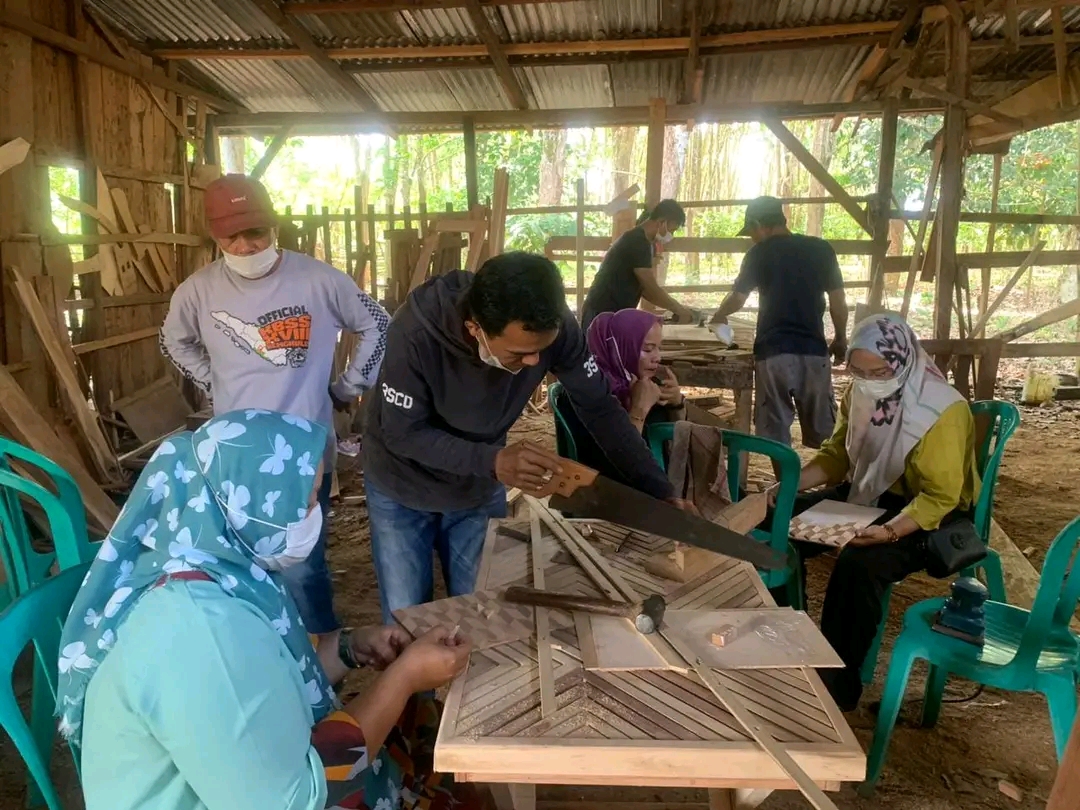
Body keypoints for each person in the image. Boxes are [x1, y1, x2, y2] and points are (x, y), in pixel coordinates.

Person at [60, 411, 484, 810]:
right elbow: (296, 798)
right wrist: (404, 677)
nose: (317, 516)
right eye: (307, 502)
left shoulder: (216, 569)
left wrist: (349, 647)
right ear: (250, 504)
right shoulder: (198, 628)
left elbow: (270, 672)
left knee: (423, 735)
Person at [363, 253, 684, 622]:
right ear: (475, 329)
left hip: (476, 487)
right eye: (520, 353)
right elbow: (404, 434)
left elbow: (599, 408)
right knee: (407, 620)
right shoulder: (415, 332)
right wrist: (492, 461)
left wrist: (659, 489)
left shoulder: (555, 326)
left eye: (541, 352)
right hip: (401, 485)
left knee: (483, 613)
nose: (535, 364)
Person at [160, 174, 390, 645]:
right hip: (232, 452)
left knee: (303, 564)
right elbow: (172, 341)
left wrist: (348, 387)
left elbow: (379, 324)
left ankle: (323, 657)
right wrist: (213, 381)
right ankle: (260, 649)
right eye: (231, 236)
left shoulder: (320, 281)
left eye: (255, 233)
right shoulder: (198, 291)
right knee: (239, 556)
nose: (245, 246)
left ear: (275, 228)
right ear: (215, 237)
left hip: (303, 453)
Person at [783, 313, 980, 711]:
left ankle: (839, 683)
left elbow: (941, 496)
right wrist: (787, 486)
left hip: (930, 513)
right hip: (870, 492)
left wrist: (890, 532)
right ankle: (789, 648)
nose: (871, 379)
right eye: (859, 370)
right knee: (776, 526)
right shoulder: (859, 395)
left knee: (860, 562)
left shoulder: (940, 409)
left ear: (903, 359)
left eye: (881, 370)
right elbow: (838, 456)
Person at [710, 196, 848, 465]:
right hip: (813, 352)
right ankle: (831, 495)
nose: (751, 238)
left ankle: (783, 495)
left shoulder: (758, 254)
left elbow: (738, 298)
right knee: (826, 433)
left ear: (759, 224)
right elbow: (838, 302)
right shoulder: (821, 250)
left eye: (751, 231)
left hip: (772, 354)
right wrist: (840, 338)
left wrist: (718, 316)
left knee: (775, 436)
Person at [555, 308, 683, 484]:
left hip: (654, 484)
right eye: (647, 349)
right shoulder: (590, 394)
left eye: (659, 348)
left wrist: (677, 402)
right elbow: (615, 467)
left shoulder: (644, 384)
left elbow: (674, 440)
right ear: (619, 348)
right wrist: (639, 410)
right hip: (609, 492)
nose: (657, 357)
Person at [580, 199, 694, 331]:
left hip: (612, 314)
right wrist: (679, 310)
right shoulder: (637, 241)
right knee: (599, 351)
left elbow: (646, 291)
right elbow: (651, 288)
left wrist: (677, 309)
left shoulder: (646, 243)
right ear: (662, 222)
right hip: (600, 314)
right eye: (672, 230)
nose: (670, 236)